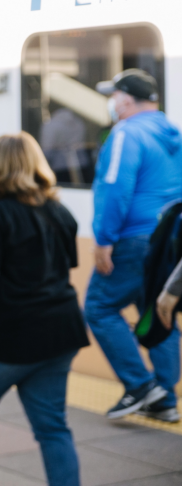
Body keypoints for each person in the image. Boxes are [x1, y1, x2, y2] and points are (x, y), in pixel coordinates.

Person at [0, 132, 88, 486]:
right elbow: (66, 267)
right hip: (59, 334)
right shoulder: (60, 213)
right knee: (52, 427)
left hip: (5, 340)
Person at [86, 69, 182, 422]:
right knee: (159, 310)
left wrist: (104, 239)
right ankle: (165, 398)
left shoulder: (126, 133)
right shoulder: (174, 133)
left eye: (114, 96)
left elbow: (115, 188)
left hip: (133, 239)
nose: (112, 103)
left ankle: (141, 387)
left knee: (98, 308)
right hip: (168, 241)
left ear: (125, 99)